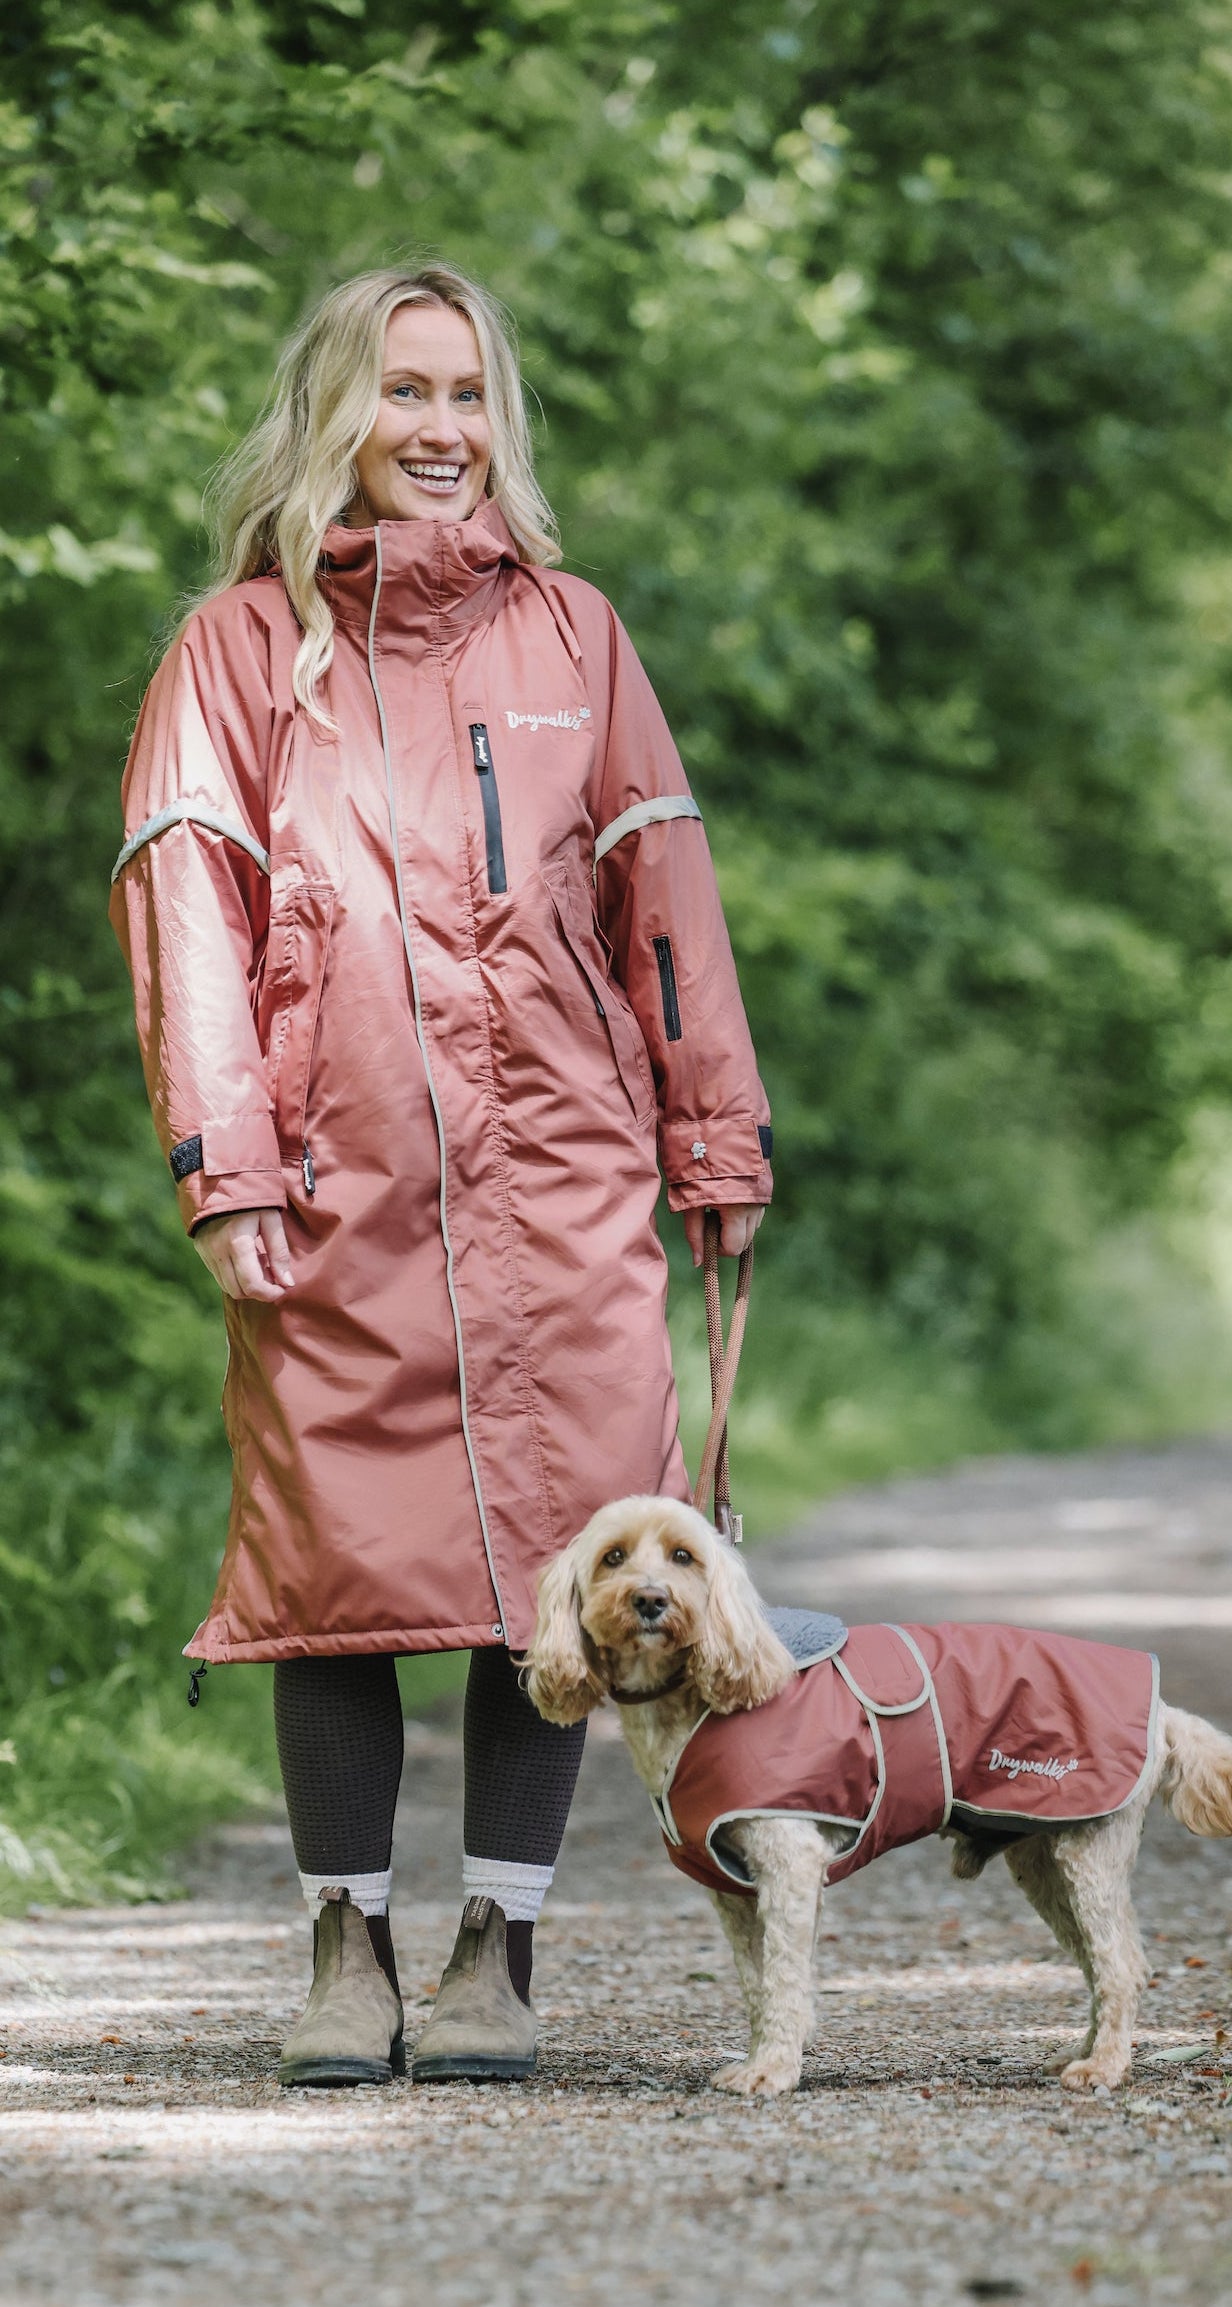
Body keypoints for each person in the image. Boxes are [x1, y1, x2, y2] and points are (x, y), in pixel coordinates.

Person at [108, 263, 771, 2088]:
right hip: (337, 1175)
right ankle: (344, 1942)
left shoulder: (575, 635)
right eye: (405, 391)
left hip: (564, 1166)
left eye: (470, 394)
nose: (441, 430)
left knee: (556, 1550)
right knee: (337, 1559)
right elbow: (188, 917)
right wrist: (225, 1159)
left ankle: (500, 1943)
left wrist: (715, 1125)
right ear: (336, 410)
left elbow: (667, 899)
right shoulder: (235, 650)